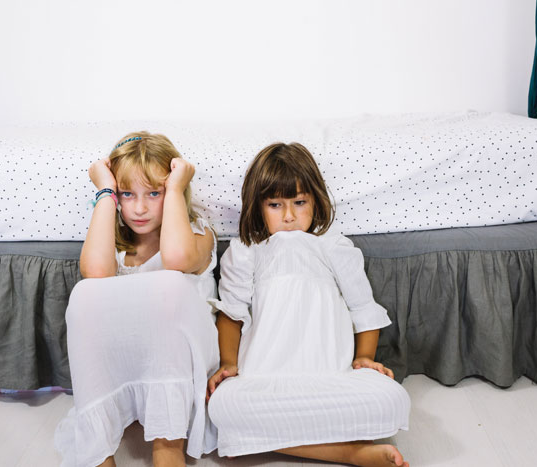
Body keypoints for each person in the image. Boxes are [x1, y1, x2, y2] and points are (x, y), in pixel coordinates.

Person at [207, 142, 411, 467]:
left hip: (331, 375)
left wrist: (364, 358)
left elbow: (364, 310)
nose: (289, 216)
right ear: (257, 207)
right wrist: (229, 364)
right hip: (264, 378)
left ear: (315, 200)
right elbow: (231, 314)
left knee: (392, 400)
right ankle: (351, 451)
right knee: (223, 407)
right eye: (275, 205)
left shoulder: (333, 246)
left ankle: (277, 437)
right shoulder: (247, 250)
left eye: (299, 202)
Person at [54, 132, 219, 467]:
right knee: (84, 295)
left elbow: (174, 259)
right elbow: (95, 273)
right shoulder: (117, 247)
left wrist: (174, 189)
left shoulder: (198, 233)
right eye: (127, 194)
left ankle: (167, 445)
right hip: (132, 361)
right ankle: (99, 451)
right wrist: (104, 191)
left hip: (186, 361)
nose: (139, 208)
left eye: (154, 193)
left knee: (168, 286)